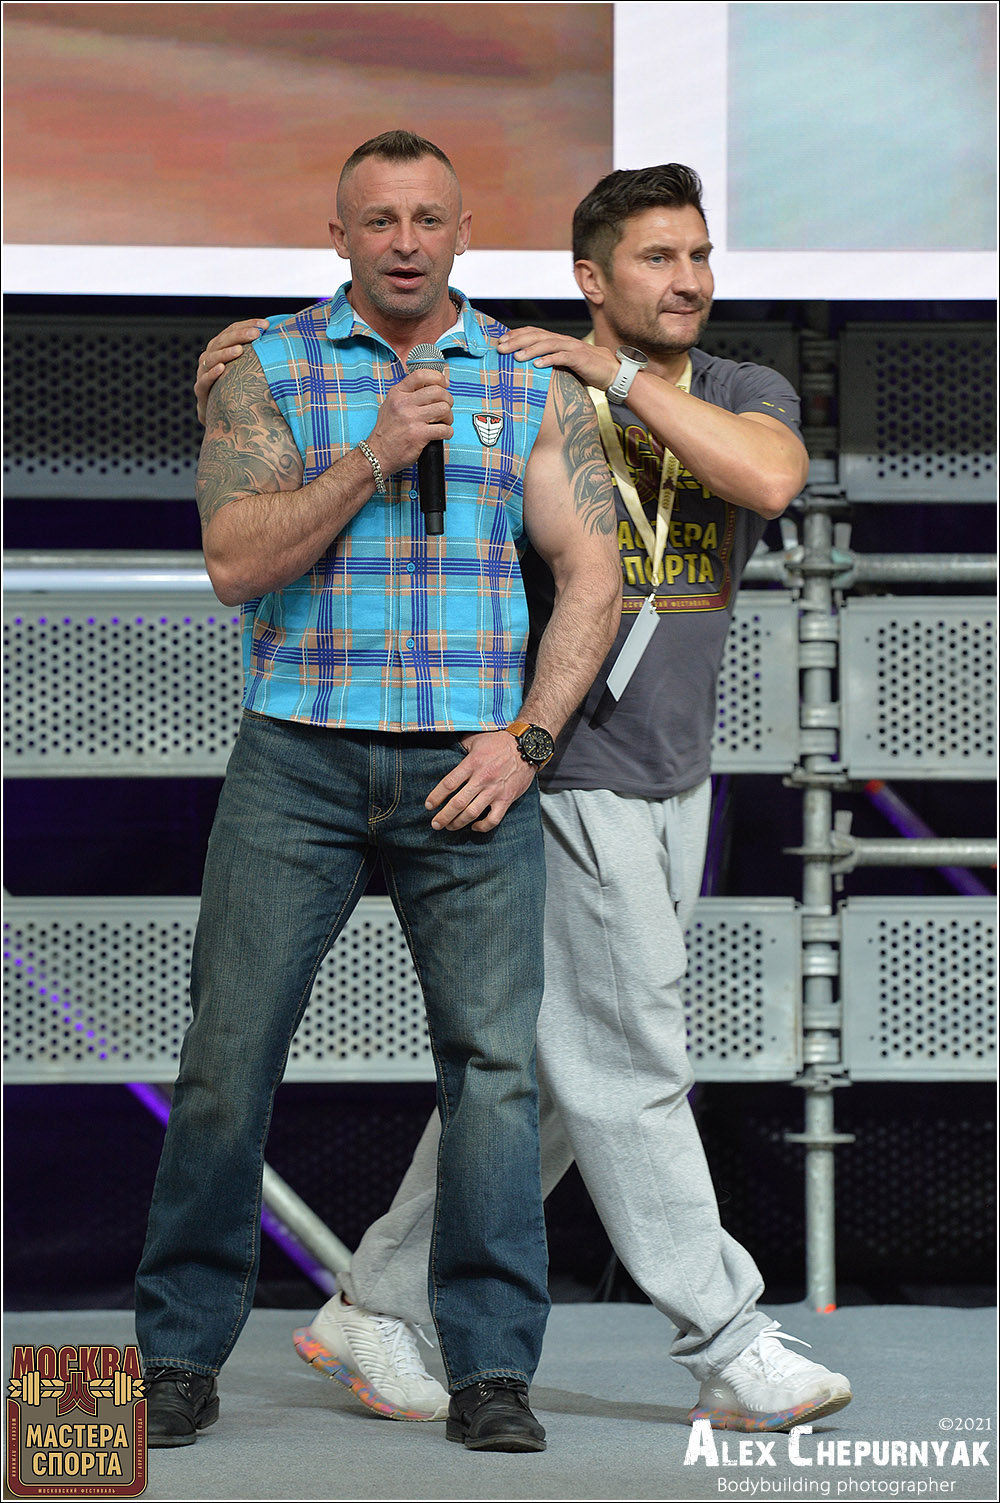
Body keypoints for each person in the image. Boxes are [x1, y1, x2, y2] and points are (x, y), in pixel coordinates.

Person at [194, 162, 853, 1436]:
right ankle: (725, 1342)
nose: (687, 280)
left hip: (675, 773)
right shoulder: (520, 375)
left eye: (698, 255)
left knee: (553, 1078)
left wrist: (621, 376)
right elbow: (351, 378)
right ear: (589, 278)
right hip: (563, 768)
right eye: (656, 259)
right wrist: (234, 370)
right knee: (628, 1062)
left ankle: (377, 1301)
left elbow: (769, 481)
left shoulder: (732, 387)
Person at [135, 129, 621, 1455]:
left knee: (496, 1075)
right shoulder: (270, 367)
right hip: (298, 757)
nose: (405, 241)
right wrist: (368, 454)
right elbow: (234, 563)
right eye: (379, 220)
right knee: (226, 1062)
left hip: (469, 766)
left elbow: (594, 572)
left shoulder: (525, 380)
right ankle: (177, 1354)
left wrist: (528, 738)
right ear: (338, 236)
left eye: (427, 218)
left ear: (464, 232)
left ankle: (490, 1370)